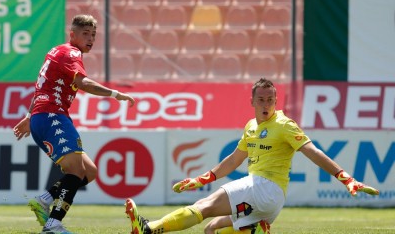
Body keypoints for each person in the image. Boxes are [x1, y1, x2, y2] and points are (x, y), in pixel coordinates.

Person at [124, 77, 379, 234]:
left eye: (270, 99)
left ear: (277, 100)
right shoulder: (251, 126)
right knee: (211, 228)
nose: (266, 104)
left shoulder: (285, 125)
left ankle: (149, 229)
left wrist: (345, 178)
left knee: (204, 206)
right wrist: (202, 179)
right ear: (252, 101)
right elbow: (235, 159)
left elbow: (312, 151)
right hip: (267, 202)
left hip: (265, 188)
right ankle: (256, 229)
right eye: (261, 99)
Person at [13, 14, 135, 233]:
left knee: (90, 171)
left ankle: (44, 200)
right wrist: (115, 94)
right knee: (76, 171)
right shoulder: (71, 52)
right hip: (53, 117)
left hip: (43, 118)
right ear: (73, 34)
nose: (91, 39)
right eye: (85, 34)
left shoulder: (55, 51)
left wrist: (30, 116)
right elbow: (84, 83)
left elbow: (42, 86)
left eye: (94, 35)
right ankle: (53, 224)